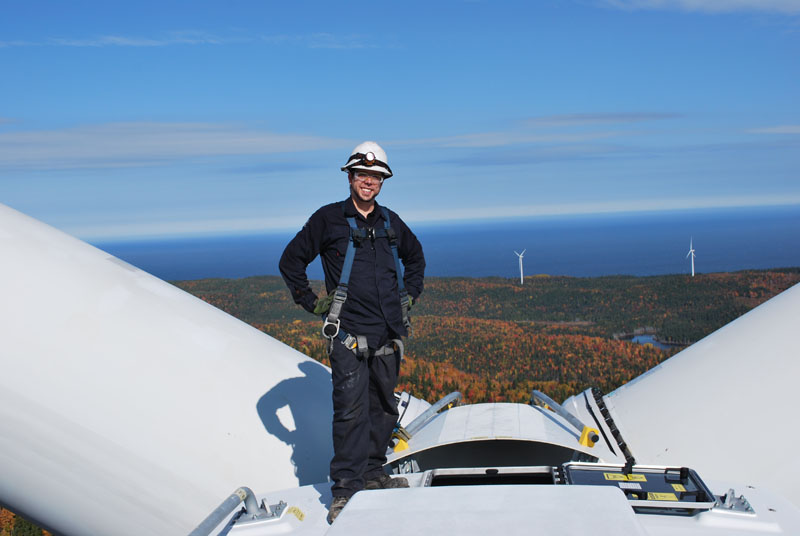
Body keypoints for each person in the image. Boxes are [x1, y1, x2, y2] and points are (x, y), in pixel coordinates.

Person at [279, 141, 425, 523]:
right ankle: (345, 490)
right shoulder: (327, 220)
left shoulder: (390, 223)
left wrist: (408, 297)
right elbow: (291, 260)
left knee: (383, 407)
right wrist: (310, 302)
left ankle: (375, 473)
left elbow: (416, 258)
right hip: (348, 335)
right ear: (350, 176)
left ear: (382, 182)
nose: (369, 182)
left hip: (388, 336)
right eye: (363, 175)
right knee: (349, 412)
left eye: (376, 177)